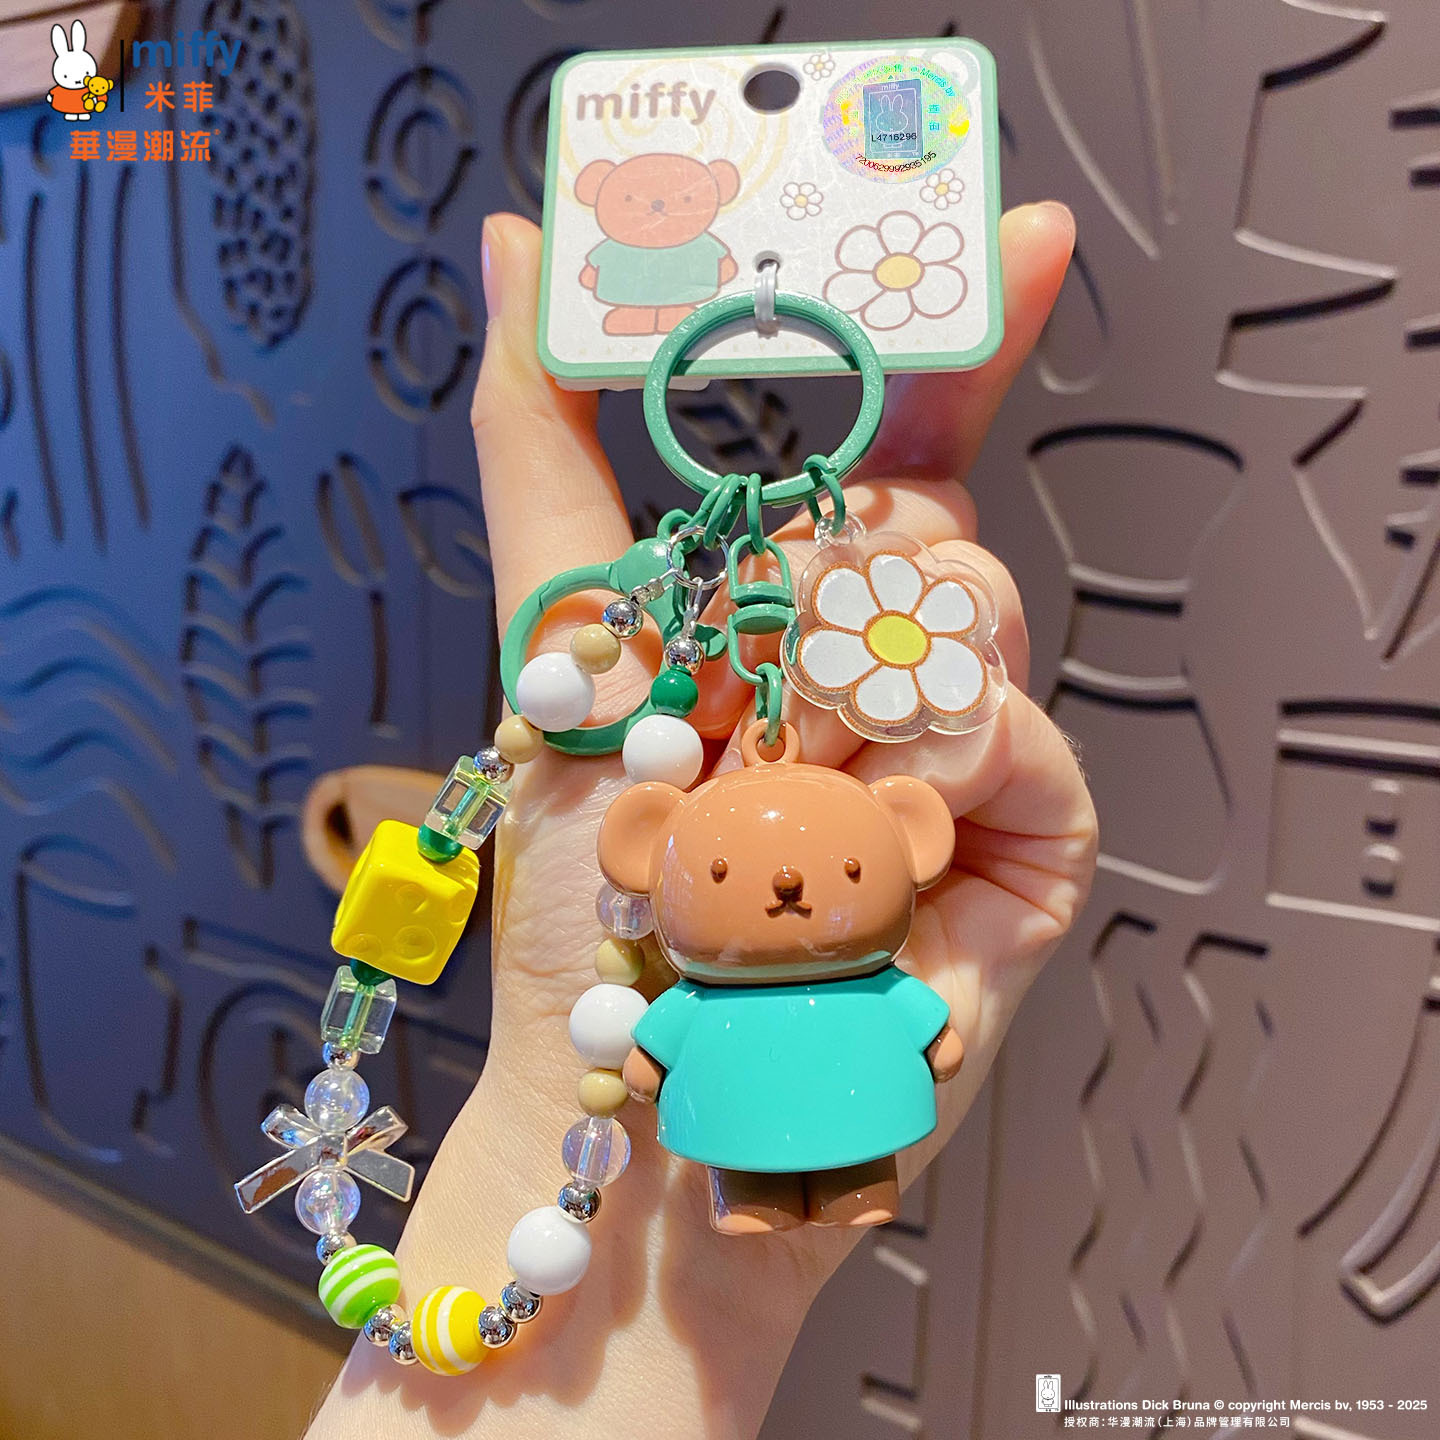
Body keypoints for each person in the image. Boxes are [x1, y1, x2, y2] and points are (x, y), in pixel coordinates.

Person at [305, 200, 1095, 1439]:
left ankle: (809, 1195)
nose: (784, 892)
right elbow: (647, 1045)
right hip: (669, 1161)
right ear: (644, 853)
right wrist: (575, 1080)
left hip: (801, 1120)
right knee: (749, 1165)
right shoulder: (666, 958)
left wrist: (920, 1036)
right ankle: (749, 1202)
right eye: (721, 875)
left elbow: (896, 1029)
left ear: (914, 832)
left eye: (834, 871)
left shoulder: (840, 961)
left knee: (837, 1154)